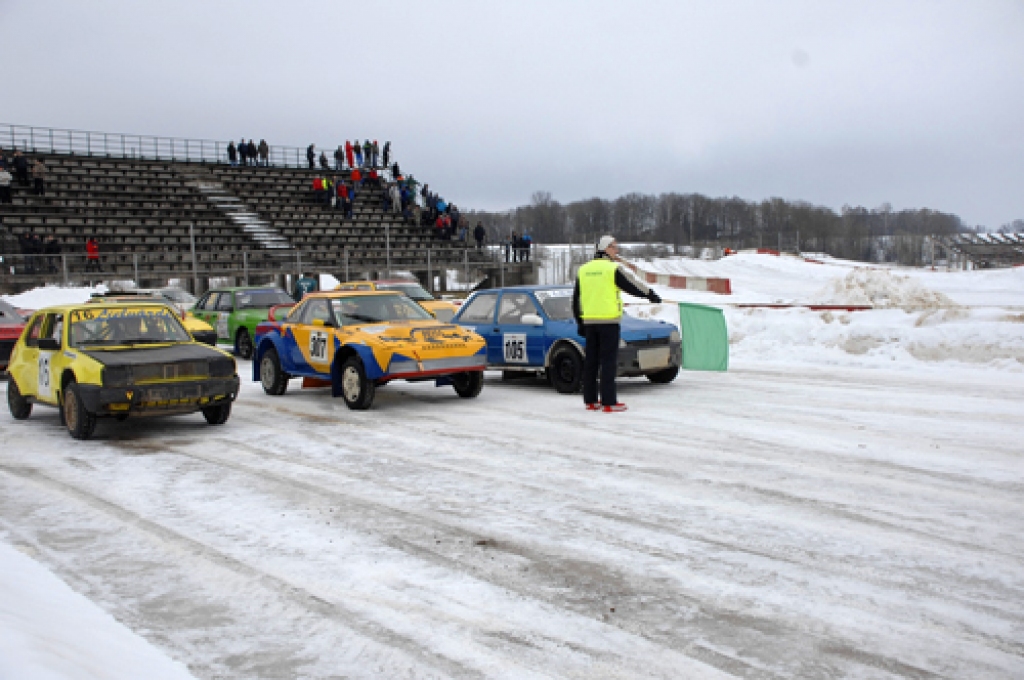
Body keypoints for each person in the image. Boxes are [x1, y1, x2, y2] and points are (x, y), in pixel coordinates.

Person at [573, 235, 662, 412]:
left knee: (591, 361)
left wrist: (580, 322)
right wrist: (650, 295)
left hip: (590, 322)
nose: (617, 250)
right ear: (606, 248)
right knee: (608, 361)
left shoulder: (583, 270)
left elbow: (576, 299)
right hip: (608, 322)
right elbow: (632, 285)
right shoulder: (612, 268)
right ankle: (609, 402)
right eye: (615, 247)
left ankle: (590, 400)